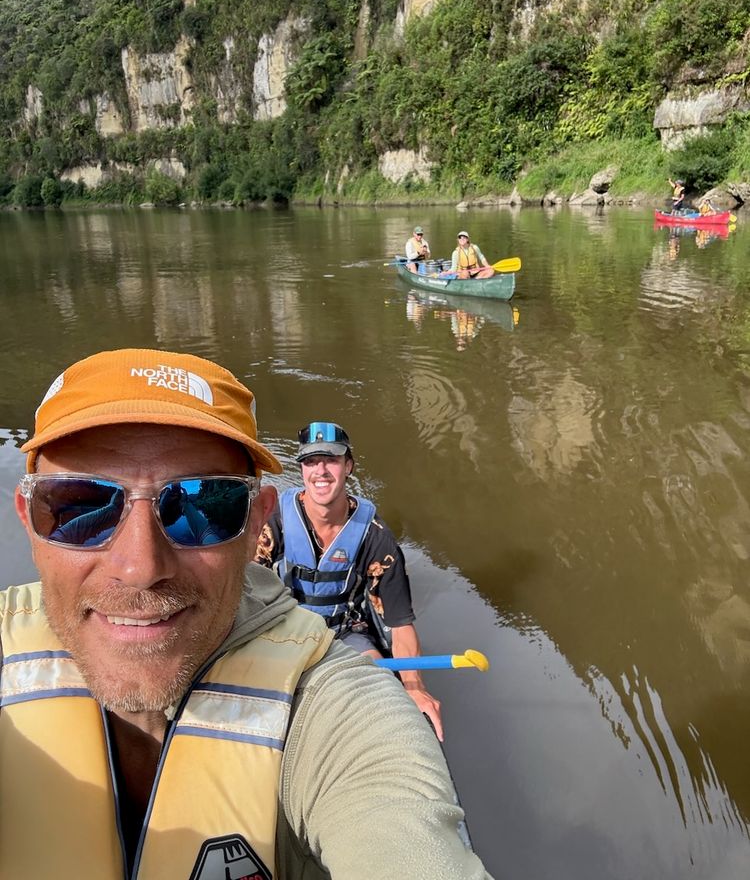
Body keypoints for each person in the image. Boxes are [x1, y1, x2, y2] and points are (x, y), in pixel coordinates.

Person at [1, 349, 489, 879]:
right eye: (77, 506)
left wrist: (409, 684)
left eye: (206, 506)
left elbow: (394, 621)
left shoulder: (338, 704)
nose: (140, 567)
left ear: (257, 518)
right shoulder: (280, 536)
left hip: (339, 634)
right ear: (29, 519)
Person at [254, 421, 443, 739]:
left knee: (380, 691)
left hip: (347, 633)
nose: (321, 471)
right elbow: (241, 590)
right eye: (312, 461)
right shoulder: (274, 523)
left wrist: (414, 686)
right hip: (287, 629)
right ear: (301, 470)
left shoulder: (376, 537)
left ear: (349, 466)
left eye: (331, 460)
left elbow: (399, 622)